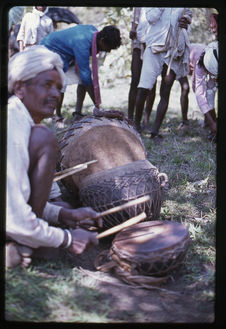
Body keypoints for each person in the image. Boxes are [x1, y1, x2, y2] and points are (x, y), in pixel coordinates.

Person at [6, 45, 102, 268]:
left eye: (58, 88)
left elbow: (14, 197)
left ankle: (25, 240)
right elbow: (12, 212)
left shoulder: (20, 119)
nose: (55, 94)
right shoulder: (12, 122)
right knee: (43, 138)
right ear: (19, 87)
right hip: (12, 220)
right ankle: (19, 240)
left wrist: (62, 215)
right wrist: (67, 239)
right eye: (47, 85)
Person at [40, 24, 121, 121]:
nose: (108, 51)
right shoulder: (83, 42)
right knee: (62, 83)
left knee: (82, 79)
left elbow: (83, 73)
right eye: (108, 47)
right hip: (49, 50)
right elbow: (85, 75)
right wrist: (98, 106)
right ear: (102, 40)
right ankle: (56, 115)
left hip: (65, 54)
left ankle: (77, 113)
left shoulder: (93, 31)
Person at [134, 8, 192, 137]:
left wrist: (186, 21)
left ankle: (155, 131)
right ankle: (136, 127)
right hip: (154, 46)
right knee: (144, 87)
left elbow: (188, 16)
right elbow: (150, 18)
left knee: (165, 91)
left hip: (175, 49)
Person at [128, 7, 155, 123]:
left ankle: (146, 119)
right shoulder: (138, 7)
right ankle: (130, 118)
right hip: (138, 45)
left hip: (153, 45)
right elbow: (135, 23)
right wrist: (132, 32)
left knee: (151, 84)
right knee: (135, 81)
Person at [190, 41, 218, 141]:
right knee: (204, 93)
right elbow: (199, 94)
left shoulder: (215, 53)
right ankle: (211, 124)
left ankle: (210, 123)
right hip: (191, 58)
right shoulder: (200, 64)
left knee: (210, 93)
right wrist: (212, 123)